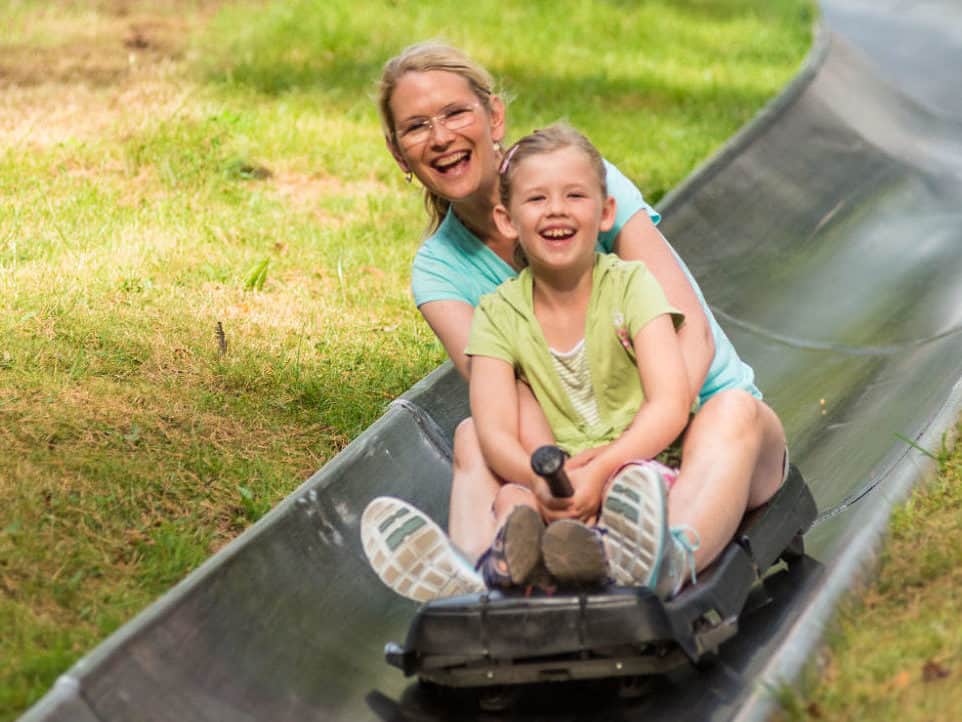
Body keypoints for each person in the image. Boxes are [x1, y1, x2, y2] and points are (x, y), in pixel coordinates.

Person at [361, 42, 787, 601]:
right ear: (399, 153)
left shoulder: (577, 185)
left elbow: (693, 335)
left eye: (454, 113)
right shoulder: (441, 273)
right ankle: (479, 580)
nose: (439, 137)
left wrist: (624, 457)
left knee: (733, 410)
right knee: (473, 435)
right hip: (568, 470)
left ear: (494, 117)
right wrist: (562, 481)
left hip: (695, 427)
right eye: (416, 127)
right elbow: (509, 404)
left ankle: (660, 556)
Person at [364, 124, 697, 599]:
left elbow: (670, 401)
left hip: (632, 463)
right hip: (554, 479)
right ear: (507, 219)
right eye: (537, 199)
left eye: (573, 196)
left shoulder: (633, 285)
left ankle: (594, 559)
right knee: (512, 499)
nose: (556, 210)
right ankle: (486, 575)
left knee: (632, 489)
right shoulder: (498, 314)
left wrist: (601, 471)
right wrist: (536, 481)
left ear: (605, 213)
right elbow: (495, 427)